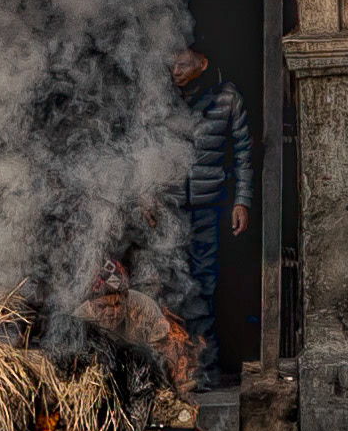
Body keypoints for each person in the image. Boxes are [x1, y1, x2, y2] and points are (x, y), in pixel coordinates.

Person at [166, 46, 253, 390]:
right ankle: (171, 369)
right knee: (167, 283)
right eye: (172, 63)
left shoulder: (227, 98)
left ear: (202, 64)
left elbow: (243, 153)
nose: (175, 70)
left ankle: (204, 370)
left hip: (207, 208)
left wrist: (242, 201)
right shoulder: (160, 96)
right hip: (168, 208)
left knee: (203, 286)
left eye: (183, 63)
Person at [73, 259, 196, 392]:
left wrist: (171, 384)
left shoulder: (145, 310)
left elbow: (168, 353)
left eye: (117, 304)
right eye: (102, 306)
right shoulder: (81, 317)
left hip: (145, 369)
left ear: (125, 297)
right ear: (90, 305)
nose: (110, 312)